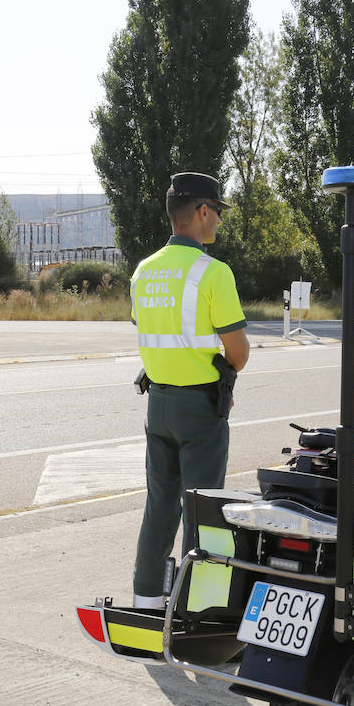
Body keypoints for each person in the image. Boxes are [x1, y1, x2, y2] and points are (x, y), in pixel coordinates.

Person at [130, 172, 250, 608]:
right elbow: (238, 354)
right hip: (200, 410)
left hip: (157, 404)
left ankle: (147, 601)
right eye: (216, 212)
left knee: (159, 506)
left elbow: (148, 332)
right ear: (201, 212)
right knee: (205, 514)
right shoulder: (213, 273)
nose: (218, 221)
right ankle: (198, 608)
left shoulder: (143, 272)